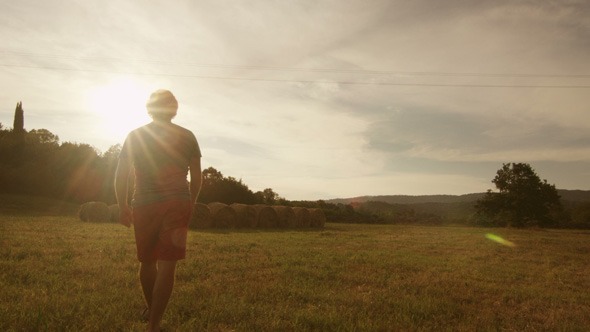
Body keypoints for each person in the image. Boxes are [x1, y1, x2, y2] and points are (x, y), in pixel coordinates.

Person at [115, 89, 202, 331]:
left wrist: (121, 204)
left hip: (143, 202)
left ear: (149, 108)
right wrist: (192, 201)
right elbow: (197, 176)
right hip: (177, 201)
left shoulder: (135, 135)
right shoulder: (187, 136)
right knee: (168, 264)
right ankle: (154, 323)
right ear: (174, 109)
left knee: (147, 262)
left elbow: (120, 174)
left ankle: (152, 316)